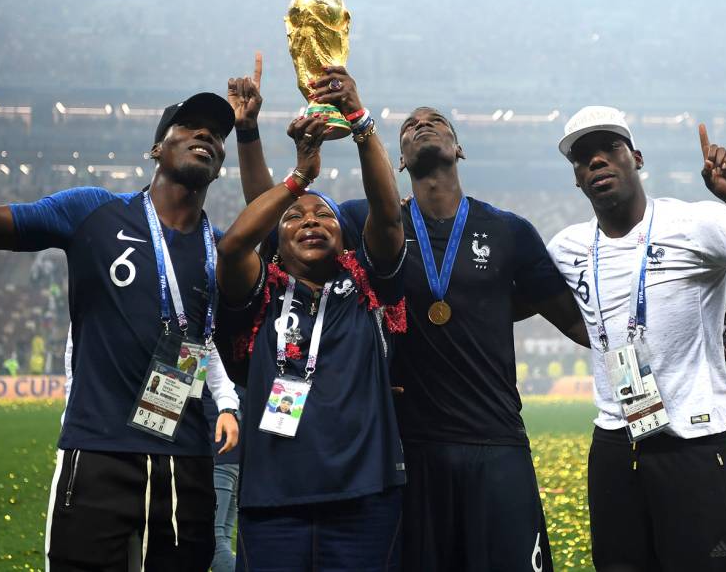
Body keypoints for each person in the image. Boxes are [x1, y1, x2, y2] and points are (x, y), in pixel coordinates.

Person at [228, 55, 588, 572]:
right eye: (409, 127)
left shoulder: (510, 231)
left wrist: (665, 339)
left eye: (435, 122)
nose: (421, 126)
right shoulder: (366, 222)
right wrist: (253, 137)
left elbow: (577, 323)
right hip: (409, 449)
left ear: (459, 148)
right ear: (396, 163)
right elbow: (277, 220)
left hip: (496, 438)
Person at [0, 55, 241, 571]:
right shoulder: (93, 211)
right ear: (156, 147)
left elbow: (207, 344)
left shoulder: (219, 250)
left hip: (187, 463)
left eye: (216, 133)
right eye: (189, 125)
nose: (205, 136)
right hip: (97, 456)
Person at [546, 105, 726, 571]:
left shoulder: (695, 224)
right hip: (615, 450)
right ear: (576, 179)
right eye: (582, 158)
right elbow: (563, 313)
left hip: (694, 445)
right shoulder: (566, 247)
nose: (596, 161)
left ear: (636, 157)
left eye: (609, 148)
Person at [213, 66, 407, 571]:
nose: (311, 221)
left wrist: (360, 121)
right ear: (277, 240)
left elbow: (388, 218)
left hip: (365, 497)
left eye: (324, 216)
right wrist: (297, 178)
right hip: (274, 501)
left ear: (345, 238)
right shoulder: (262, 292)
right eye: (295, 218)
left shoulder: (366, 285)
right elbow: (235, 244)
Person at [204, 385, 246, 572]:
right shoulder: (235, 379)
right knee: (224, 538)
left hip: (218, 458)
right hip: (235, 461)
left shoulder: (212, 371)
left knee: (214, 542)